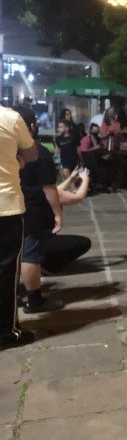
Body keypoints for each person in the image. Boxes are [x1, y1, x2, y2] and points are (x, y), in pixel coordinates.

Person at [13, 107, 66, 314]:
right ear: (32, 126)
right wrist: (57, 213)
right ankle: (34, 300)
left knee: (12, 254)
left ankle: (13, 295)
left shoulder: (6, 150)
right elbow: (49, 188)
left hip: (9, 207)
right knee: (30, 255)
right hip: (32, 210)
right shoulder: (39, 152)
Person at [0, 105, 38, 349]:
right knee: (6, 273)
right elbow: (33, 154)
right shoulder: (10, 118)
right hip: (6, 206)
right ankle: (6, 332)